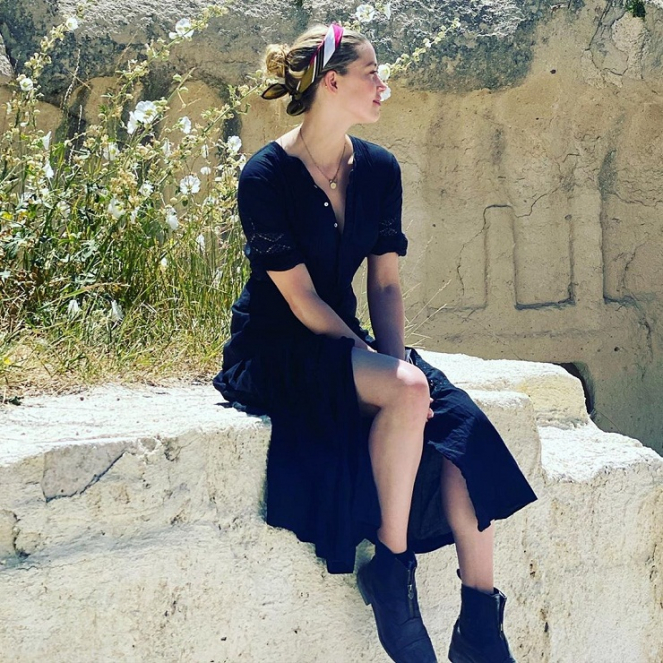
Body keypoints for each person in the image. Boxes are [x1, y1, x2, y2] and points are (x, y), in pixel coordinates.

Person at [213, 22, 537, 663]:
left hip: (348, 340)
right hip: (277, 349)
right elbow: (301, 301)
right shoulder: (265, 176)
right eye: (372, 75)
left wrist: (391, 361)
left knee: (458, 424)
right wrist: (386, 373)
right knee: (409, 391)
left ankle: (480, 620)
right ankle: (392, 568)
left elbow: (384, 284)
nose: (383, 86)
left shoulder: (380, 169)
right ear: (332, 83)